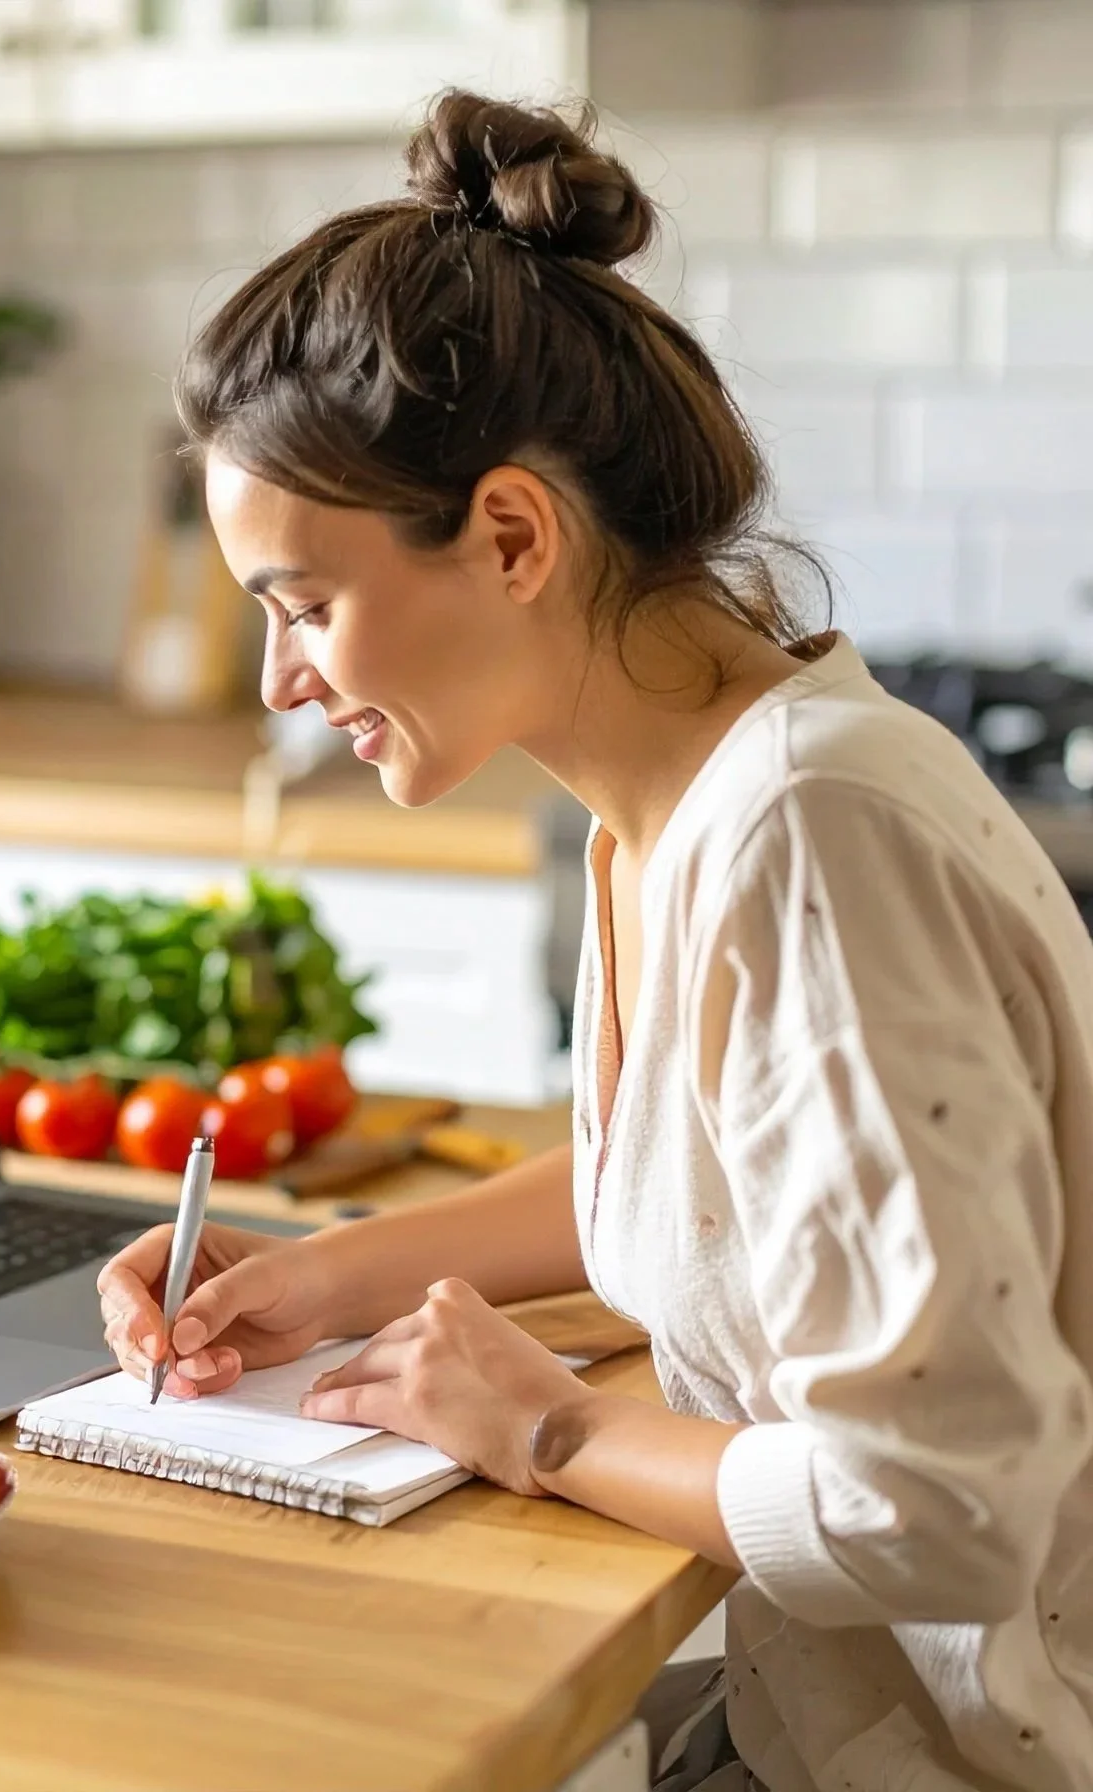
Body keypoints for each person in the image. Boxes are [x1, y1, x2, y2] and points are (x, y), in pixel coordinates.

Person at [95, 90, 1093, 1792]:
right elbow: (705, 1180)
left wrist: (547, 1426)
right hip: (818, 1714)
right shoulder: (671, 805)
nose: (279, 683)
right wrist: (321, 1283)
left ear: (510, 536)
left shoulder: (807, 837)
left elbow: (938, 1512)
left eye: (306, 607)